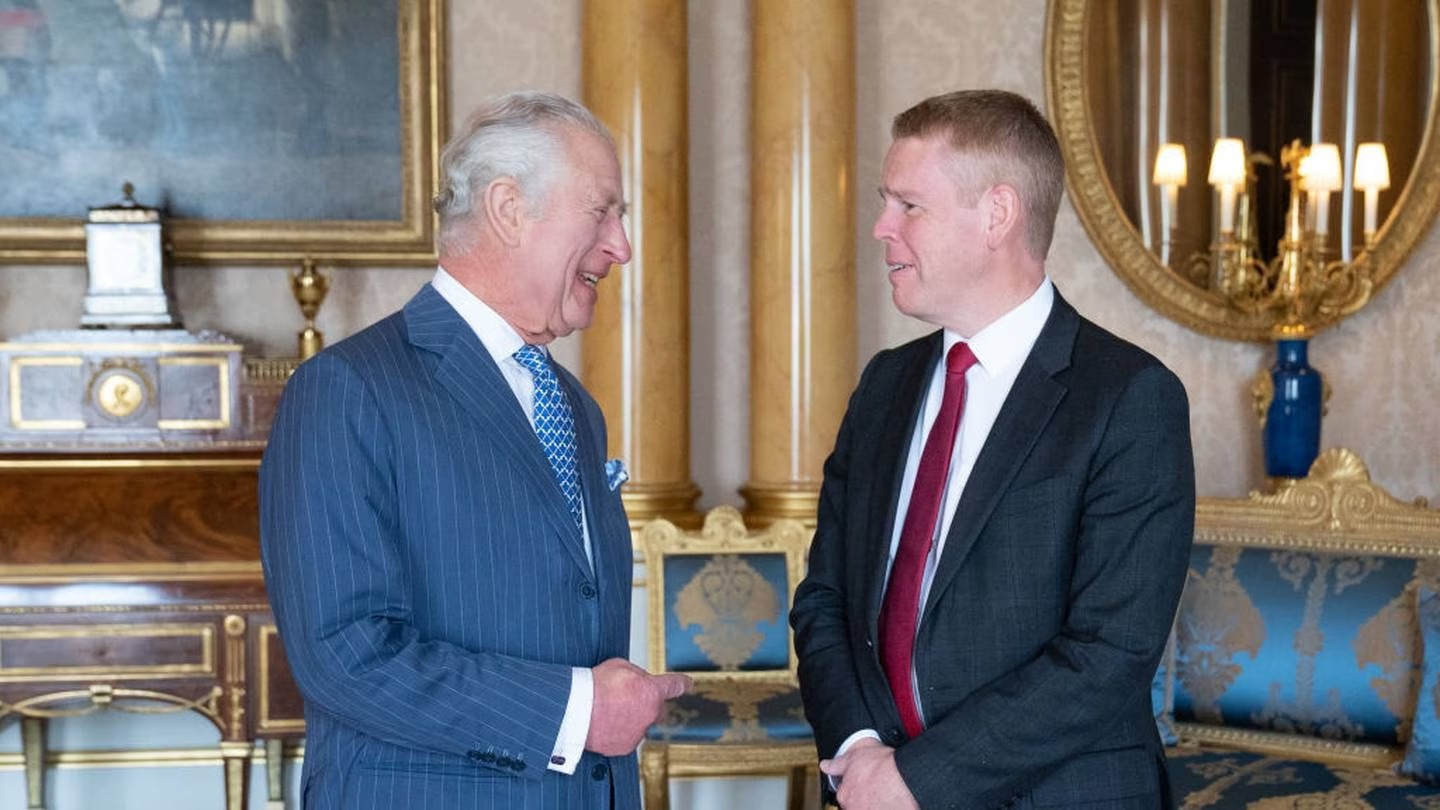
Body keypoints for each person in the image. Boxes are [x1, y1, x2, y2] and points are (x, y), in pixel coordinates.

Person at [260, 91, 690, 810]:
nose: (621, 246)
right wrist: (574, 712)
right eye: (602, 212)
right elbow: (345, 652)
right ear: (508, 209)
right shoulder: (346, 389)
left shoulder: (574, 406)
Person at [790, 89, 1195, 809]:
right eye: (886, 203)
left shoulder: (1129, 397)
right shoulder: (884, 384)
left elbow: (1110, 653)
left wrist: (919, 780)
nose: (882, 227)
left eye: (909, 206)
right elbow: (825, 599)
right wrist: (860, 751)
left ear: (997, 215)